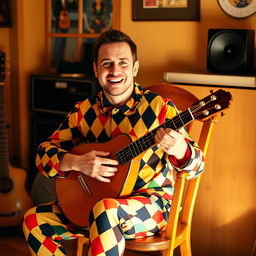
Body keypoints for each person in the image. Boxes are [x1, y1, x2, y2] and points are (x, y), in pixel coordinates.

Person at [23, 29, 205, 256]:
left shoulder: (161, 108)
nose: (115, 71)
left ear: (135, 68)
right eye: (107, 63)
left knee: (105, 211)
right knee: (33, 221)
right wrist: (76, 162)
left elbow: (198, 166)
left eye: (123, 63)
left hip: (152, 207)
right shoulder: (84, 111)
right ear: (96, 69)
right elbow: (43, 153)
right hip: (94, 203)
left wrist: (180, 149)